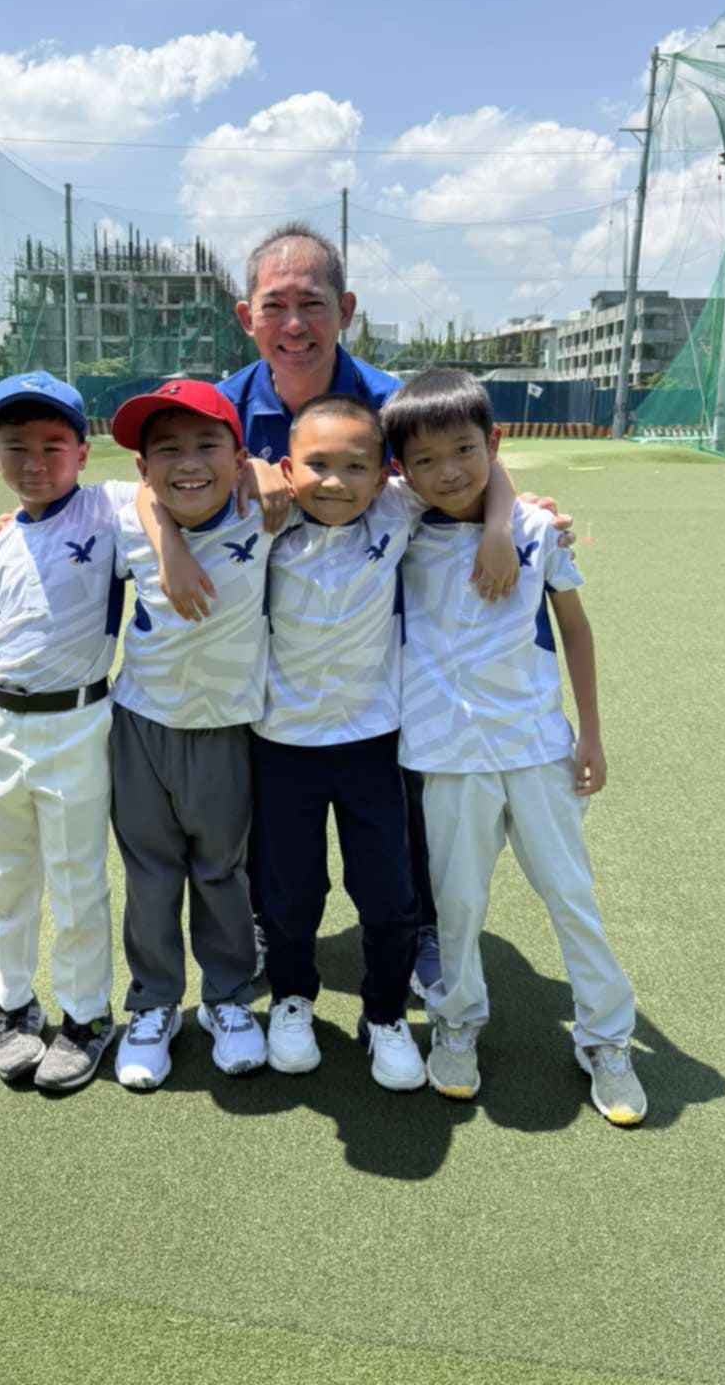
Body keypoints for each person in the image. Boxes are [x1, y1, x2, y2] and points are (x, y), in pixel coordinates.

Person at [150, 222, 573, 997]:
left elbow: (477, 460)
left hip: (390, 650)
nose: (294, 324)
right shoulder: (223, 410)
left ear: (345, 310)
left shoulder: (391, 402)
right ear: (246, 317)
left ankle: (422, 929)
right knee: (270, 803)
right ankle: (266, 924)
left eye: (312, 303)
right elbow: (150, 482)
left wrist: (504, 520)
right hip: (264, 656)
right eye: (274, 306)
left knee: (402, 795)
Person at [383, 368, 646, 1126]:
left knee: (571, 896)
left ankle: (606, 1038)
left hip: (537, 750)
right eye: (425, 459)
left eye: (464, 451)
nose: (447, 472)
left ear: (494, 443)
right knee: (458, 906)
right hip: (445, 758)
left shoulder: (535, 528)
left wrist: (590, 732)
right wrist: (495, 517)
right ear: (403, 468)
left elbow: (576, 629)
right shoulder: (399, 523)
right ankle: (457, 1022)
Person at [0, 371, 121, 1092]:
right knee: (5, 879)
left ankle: (86, 1017)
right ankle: (13, 1006)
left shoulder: (109, 510)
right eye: (16, 447)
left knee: (76, 881)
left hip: (78, 725)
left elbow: (183, 493)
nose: (34, 463)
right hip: (0, 727)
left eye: (52, 446)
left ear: (83, 452)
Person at [252, 393, 426, 1091]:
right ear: (287, 469)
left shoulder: (398, 510)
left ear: (383, 475)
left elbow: (474, 481)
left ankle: (384, 1013)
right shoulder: (262, 515)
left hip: (372, 744)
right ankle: (292, 999)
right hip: (281, 745)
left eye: (356, 466)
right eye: (317, 464)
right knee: (290, 892)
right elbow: (148, 495)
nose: (335, 481)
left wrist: (511, 512)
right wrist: (253, 473)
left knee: (388, 893)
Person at [107, 380, 271, 1091]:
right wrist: (165, 539)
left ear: (240, 457)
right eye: (167, 450)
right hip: (140, 725)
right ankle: (153, 1004)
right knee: (149, 873)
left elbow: (370, 487)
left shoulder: (267, 512)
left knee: (221, 870)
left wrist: (516, 508)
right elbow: (54, 513)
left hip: (226, 728)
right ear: (143, 468)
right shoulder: (122, 516)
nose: (189, 463)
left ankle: (228, 998)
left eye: (208, 444)